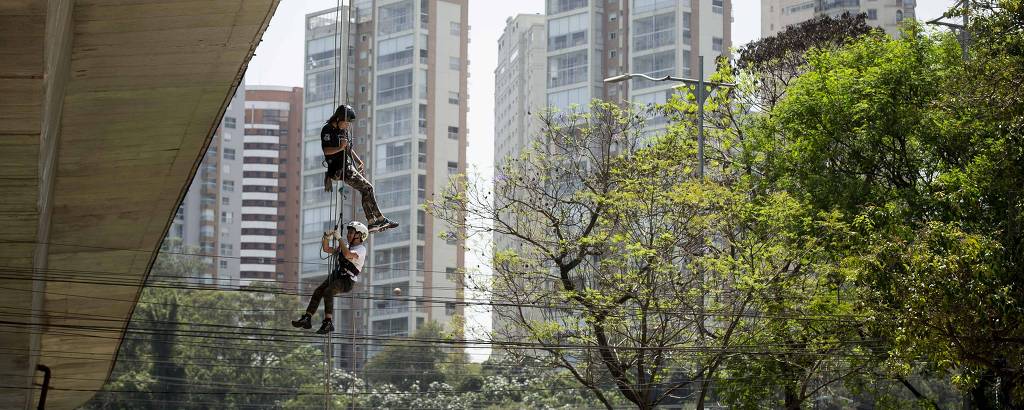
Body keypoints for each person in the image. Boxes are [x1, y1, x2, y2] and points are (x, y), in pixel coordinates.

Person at [321, 104, 399, 233]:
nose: (347, 126)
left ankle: (372, 223)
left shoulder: (343, 130)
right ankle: (380, 219)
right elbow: (326, 151)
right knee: (368, 188)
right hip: (338, 169)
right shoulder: (327, 130)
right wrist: (340, 148)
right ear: (338, 118)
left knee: (365, 191)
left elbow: (348, 149)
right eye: (346, 122)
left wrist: (359, 161)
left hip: (347, 166)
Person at [291, 221, 368, 334]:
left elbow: (347, 255)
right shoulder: (345, 246)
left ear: (360, 236)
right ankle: (307, 318)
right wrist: (326, 237)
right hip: (337, 275)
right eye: (349, 232)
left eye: (352, 232)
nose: (349, 235)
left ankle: (328, 322)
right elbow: (326, 249)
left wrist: (339, 238)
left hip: (347, 280)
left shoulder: (361, 249)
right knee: (318, 291)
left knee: (328, 291)